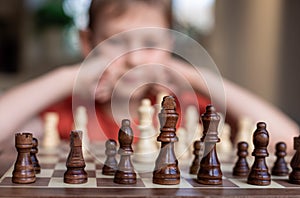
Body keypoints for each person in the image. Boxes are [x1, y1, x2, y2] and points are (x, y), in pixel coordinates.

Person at [0, 0, 298, 153]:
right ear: (87, 42)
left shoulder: (186, 108)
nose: (133, 58)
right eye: (115, 42)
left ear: (169, 45)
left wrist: (193, 75)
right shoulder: (70, 111)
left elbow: (289, 138)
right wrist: (71, 76)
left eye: (151, 44)